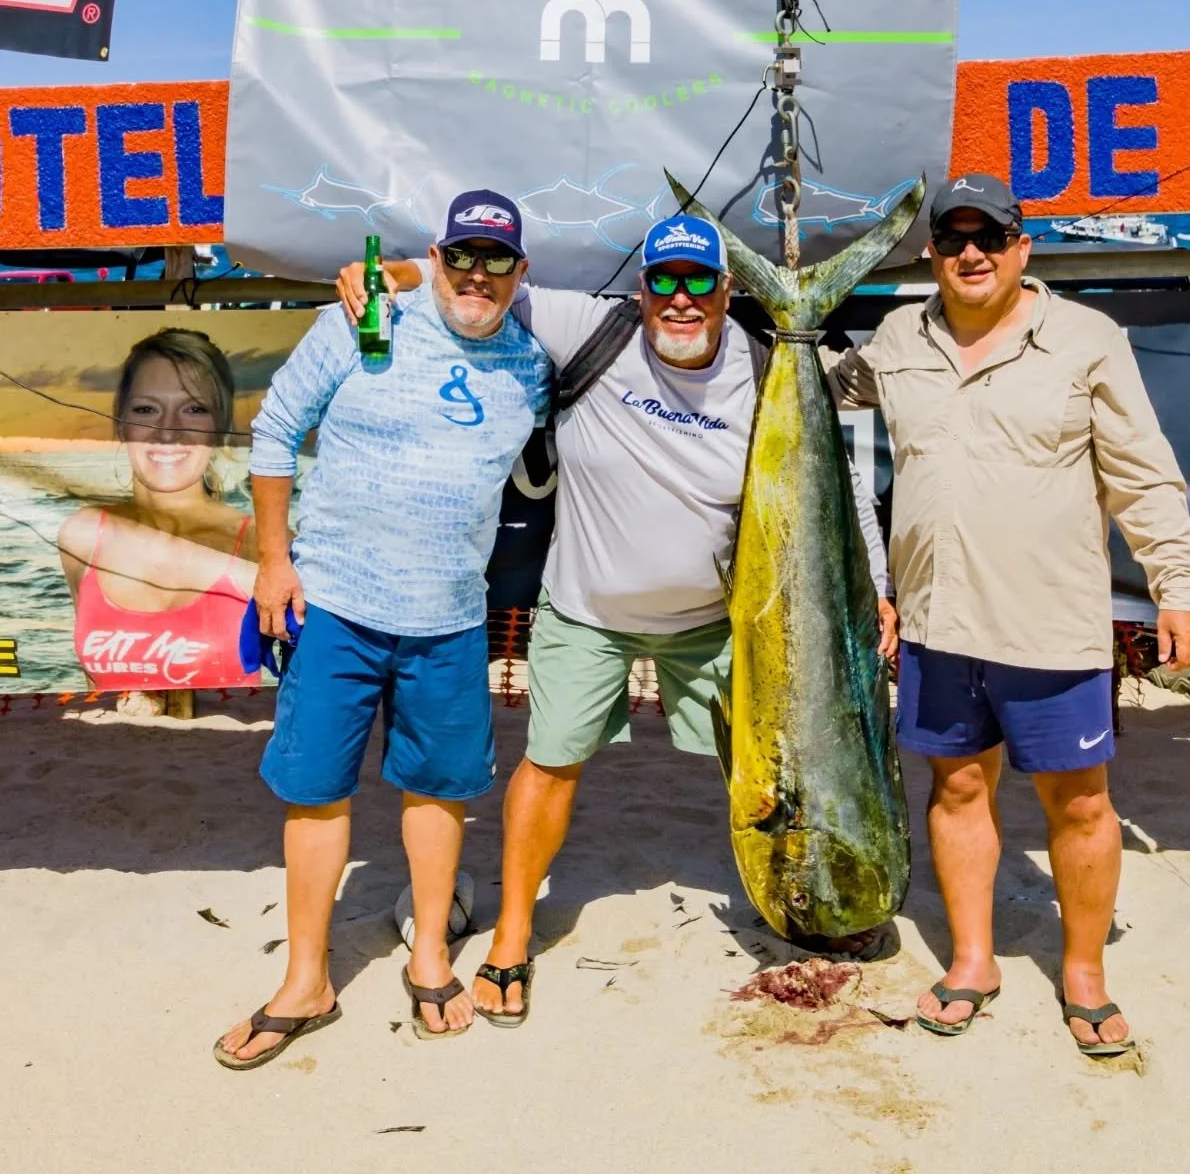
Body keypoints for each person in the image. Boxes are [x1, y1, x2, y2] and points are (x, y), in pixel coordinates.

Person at [338, 213, 892, 1027]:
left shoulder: (767, 366)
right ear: (641, 289)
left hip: (717, 623)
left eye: (697, 282)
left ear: (726, 292)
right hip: (587, 612)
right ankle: (513, 936)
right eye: (663, 280)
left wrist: (872, 585)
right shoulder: (597, 328)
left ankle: (799, 900)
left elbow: (836, 492)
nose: (678, 298)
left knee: (768, 769)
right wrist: (393, 279)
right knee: (551, 763)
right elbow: (487, 287)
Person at [823, 172, 1190, 1060]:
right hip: (933, 624)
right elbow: (816, 393)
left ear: (1021, 248)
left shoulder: (1085, 339)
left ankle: (1083, 974)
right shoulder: (895, 339)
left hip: (1051, 625)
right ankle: (971, 959)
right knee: (956, 788)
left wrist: (1176, 586)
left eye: (988, 238)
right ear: (930, 254)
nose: (970, 254)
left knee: (1078, 804)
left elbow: (1143, 474)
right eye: (953, 239)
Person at [216, 190, 551, 1067]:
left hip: (448, 619)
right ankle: (306, 981)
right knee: (315, 790)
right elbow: (276, 432)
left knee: (438, 791)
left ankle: (432, 957)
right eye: (460, 256)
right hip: (333, 604)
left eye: (497, 260)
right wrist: (275, 562)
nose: (477, 275)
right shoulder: (363, 319)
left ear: (520, 274)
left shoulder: (531, 365)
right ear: (436, 258)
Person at [60, 328, 257, 702]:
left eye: (194, 409)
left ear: (221, 425)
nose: (167, 431)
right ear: (119, 422)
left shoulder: (261, 546)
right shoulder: (83, 536)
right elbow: (94, 695)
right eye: (146, 409)